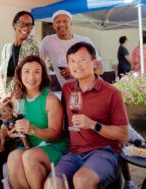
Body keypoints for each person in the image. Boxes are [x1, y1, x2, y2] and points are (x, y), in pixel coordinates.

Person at [45, 42, 129, 189]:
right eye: (72, 61)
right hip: (74, 153)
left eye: (82, 60)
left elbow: (124, 135)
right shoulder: (67, 89)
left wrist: (93, 125)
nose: (77, 65)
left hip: (104, 151)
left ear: (94, 62)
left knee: (82, 180)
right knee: (52, 184)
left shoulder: (112, 93)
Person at [0, 11, 39, 183]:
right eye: (22, 23)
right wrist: (3, 94)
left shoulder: (32, 46)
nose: (26, 28)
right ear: (14, 24)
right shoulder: (6, 48)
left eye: (29, 25)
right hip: (3, 96)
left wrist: (10, 98)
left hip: (19, 98)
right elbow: (0, 76)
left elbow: (29, 78)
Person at [7, 55, 68, 189]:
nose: (31, 77)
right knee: (13, 157)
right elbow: (12, 122)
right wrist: (12, 130)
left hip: (53, 146)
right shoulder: (17, 98)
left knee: (29, 157)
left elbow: (56, 134)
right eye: (27, 71)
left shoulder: (50, 99)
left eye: (37, 72)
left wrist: (32, 129)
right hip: (30, 145)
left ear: (43, 75)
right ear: (20, 74)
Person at [40, 10, 103, 88]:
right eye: (58, 22)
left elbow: (100, 69)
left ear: (71, 24)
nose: (62, 24)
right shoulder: (48, 41)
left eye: (65, 21)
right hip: (69, 92)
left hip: (93, 88)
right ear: (53, 25)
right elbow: (39, 64)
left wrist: (75, 73)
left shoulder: (84, 40)